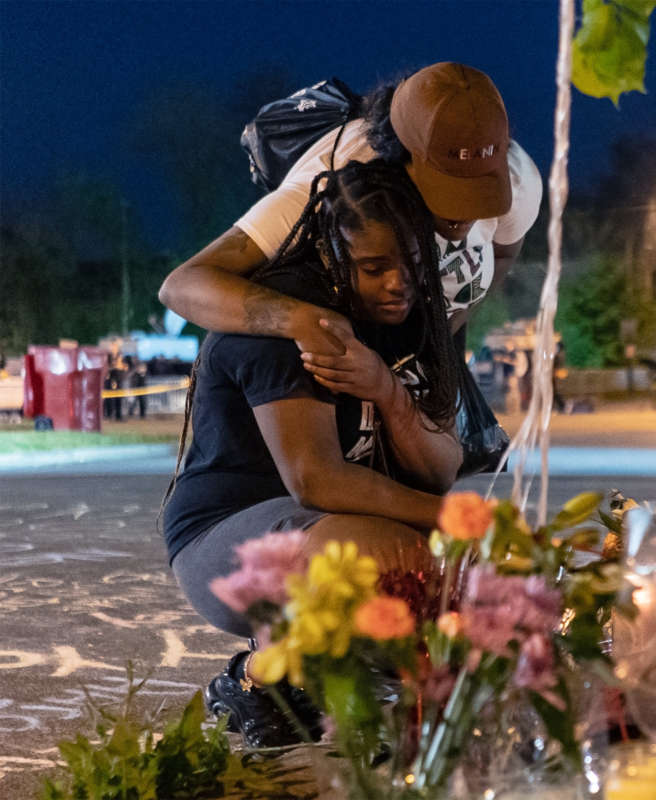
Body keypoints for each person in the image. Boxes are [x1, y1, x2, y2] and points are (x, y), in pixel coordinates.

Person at [163, 160, 463, 748]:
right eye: (375, 268)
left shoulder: (410, 322)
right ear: (332, 252)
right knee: (403, 559)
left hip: (321, 523)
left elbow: (441, 470)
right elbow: (316, 482)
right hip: (220, 536)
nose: (399, 283)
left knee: (452, 568)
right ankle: (254, 677)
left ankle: (318, 671)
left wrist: (385, 388)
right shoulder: (292, 317)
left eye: (412, 265)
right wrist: (455, 524)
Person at [157, 62, 542, 360]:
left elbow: (505, 249)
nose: (465, 215)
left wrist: (446, 329)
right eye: (449, 190)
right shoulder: (337, 183)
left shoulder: (519, 177)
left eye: (481, 191)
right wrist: (302, 321)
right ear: (400, 157)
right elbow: (185, 285)